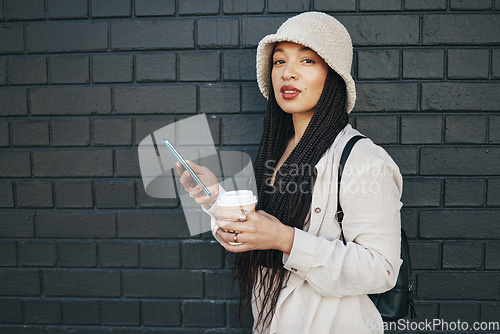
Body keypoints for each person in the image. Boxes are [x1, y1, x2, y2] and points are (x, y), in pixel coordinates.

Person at [176, 12, 403, 334]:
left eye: (307, 61)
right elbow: (261, 228)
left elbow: (381, 271)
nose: (288, 73)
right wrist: (216, 202)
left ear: (333, 75)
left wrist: (285, 239)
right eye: (279, 62)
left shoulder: (363, 160)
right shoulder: (277, 148)